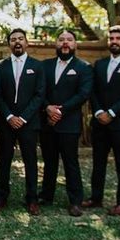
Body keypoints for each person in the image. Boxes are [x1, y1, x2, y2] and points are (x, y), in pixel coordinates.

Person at [83, 25, 120, 216]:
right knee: (98, 162)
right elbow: (93, 91)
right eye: (111, 38)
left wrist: (112, 113)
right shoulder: (100, 64)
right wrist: (99, 111)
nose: (114, 41)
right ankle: (96, 198)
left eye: (118, 38)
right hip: (100, 123)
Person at [40, 30, 93, 216]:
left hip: (69, 123)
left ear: (75, 45)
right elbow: (39, 91)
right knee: (49, 161)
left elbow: (83, 94)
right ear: (56, 44)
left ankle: (75, 201)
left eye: (69, 40)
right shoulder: (45, 66)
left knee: (71, 162)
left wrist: (60, 110)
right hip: (48, 122)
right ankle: (46, 195)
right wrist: (47, 108)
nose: (65, 43)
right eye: (61, 40)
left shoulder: (84, 67)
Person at [0, 29, 45, 216]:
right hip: (6, 121)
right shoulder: (1, 67)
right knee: (5, 159)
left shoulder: (37, 66)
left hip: (29, 122)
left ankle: (32, 199)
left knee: (30, 160)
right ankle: (2, 196)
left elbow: (39, 94)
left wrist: (23, 117)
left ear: (27, 43)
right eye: (13, 39)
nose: (17, 42)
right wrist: (9, 116)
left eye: (20, 39)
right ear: (9, 43)